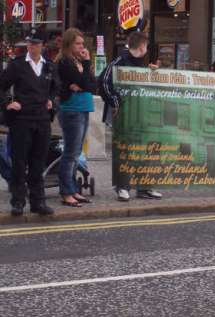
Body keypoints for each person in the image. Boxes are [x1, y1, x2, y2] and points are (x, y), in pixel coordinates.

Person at [0, 29, 59, 216]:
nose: (33, 46)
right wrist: (9, 103)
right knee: (19, 162)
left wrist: (52, 101)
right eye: (30, 43)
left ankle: (38, 202)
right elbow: (2, 87)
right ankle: (18, 201)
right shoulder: (17, 65)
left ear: (42, 45)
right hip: (22, 120)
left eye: (36, 43)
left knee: (38, 162)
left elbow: (57, 89)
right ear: (27, 45)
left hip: (42, 119)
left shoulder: (49, 65)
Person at [100, 31, 163, 202]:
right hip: (124, 116)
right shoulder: (120, 61)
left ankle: (144, 187)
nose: (147, 48)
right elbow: (103, 81)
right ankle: (122, 188)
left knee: (144, 151)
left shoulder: (140, 64)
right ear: (142, 46)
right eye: (146, 46)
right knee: (124, 151)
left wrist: (152, 74)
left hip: (140, 116)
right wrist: (115, 101)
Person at [56, 28, 97, 207]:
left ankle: (72, 189)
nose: (82, 47)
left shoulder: (79, 61)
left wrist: (83, 81)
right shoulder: (65, 62)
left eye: (82, 44)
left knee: (76, 152)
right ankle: (66, 192)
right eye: (78, 44)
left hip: (83, 107)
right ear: (69, 44)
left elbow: (91, 85)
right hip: (72, 109)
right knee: (70, 153)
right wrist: (86, 65)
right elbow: (82, 81)